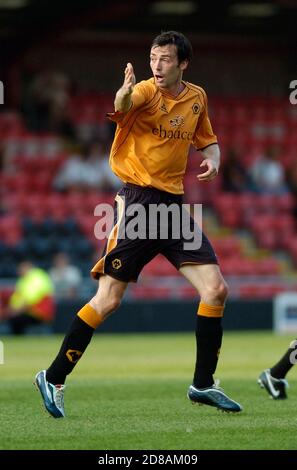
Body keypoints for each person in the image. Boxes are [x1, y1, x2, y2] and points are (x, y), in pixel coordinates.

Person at [34, 31, 242, 418]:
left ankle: (203, 383)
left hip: (173, 210)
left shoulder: (197, 98)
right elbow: (122, 102)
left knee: (216, 291)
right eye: (153, 57)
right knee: (108, 300)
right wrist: (125, 91)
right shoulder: (145, 92)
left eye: (165, 59)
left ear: (183, 64)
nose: (157, 66)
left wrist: (213, 158)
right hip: (138, 205)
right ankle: (54, 376)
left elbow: (206, 139)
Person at [5, 261, 55, 335]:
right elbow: (16, 299)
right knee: (13, 318)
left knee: (15, 319)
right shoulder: (23, 280)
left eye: (21, 268)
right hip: (28, 311)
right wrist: (11, 309)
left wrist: (14, 312)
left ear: (28, 267)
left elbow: (30, 301)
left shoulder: (37, 277)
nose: (19, 271)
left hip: (39, 312)